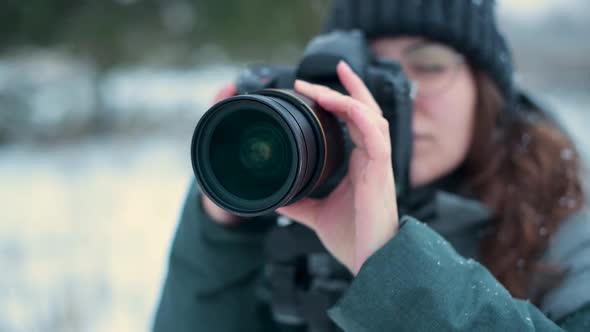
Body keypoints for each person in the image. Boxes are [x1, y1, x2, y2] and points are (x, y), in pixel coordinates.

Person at [153, 0, 590, 330]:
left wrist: (393, 264)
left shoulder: (569, 242)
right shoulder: (297, 220)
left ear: (486, 91)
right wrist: (224, 231)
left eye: (428, 65)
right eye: (364, 73)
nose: (387, 100)